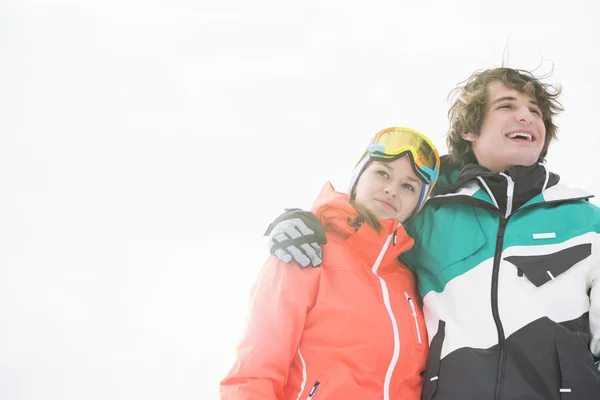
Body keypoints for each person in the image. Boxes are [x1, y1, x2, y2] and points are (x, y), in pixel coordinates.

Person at [264, 68, 600, 400]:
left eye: (535, 111)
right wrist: (309, 221)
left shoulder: (587, 223)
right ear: (470, 129)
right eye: (507, 106)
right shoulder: (425, 215)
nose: (526, 116)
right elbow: (364, 236)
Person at [220, 127, 441, 400]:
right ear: (358, 178)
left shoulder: (410, 282)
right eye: (382, 173)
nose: (391, 189)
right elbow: (253, 375)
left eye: (408, 186)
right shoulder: (306, 248)